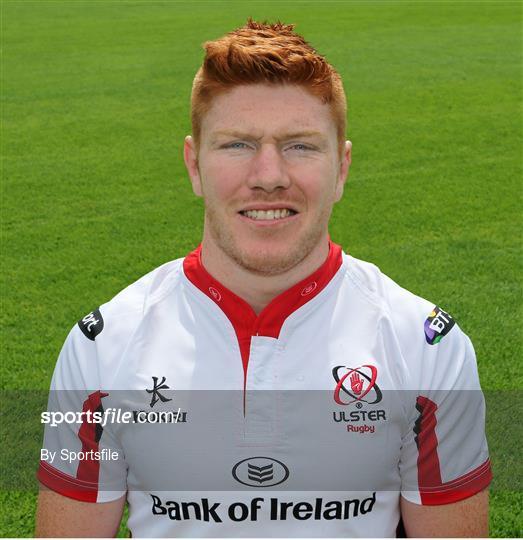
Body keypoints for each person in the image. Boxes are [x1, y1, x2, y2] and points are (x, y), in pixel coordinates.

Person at [36, 19, 492, 537]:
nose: (269, 175)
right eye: (237, 145)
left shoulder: (429, 347)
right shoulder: (99, 348)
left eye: (300, 146)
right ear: (194, 165)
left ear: (341, 168)